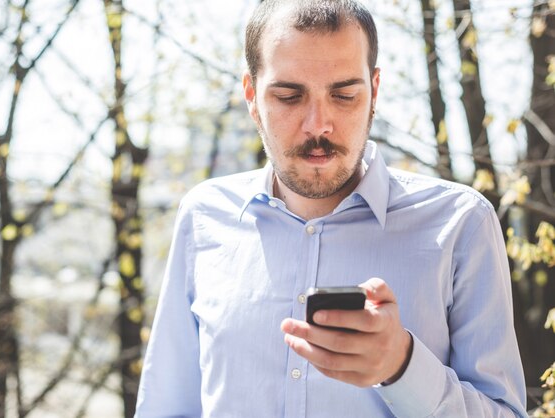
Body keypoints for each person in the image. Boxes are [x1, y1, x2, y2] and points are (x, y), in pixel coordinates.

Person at [135, 0, 528, 416]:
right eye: (289, 96)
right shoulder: (204, 216)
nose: (318, 124)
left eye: (344, 95)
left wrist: (402, 366)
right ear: (251, 96)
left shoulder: (461, 225)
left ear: (374, 91)